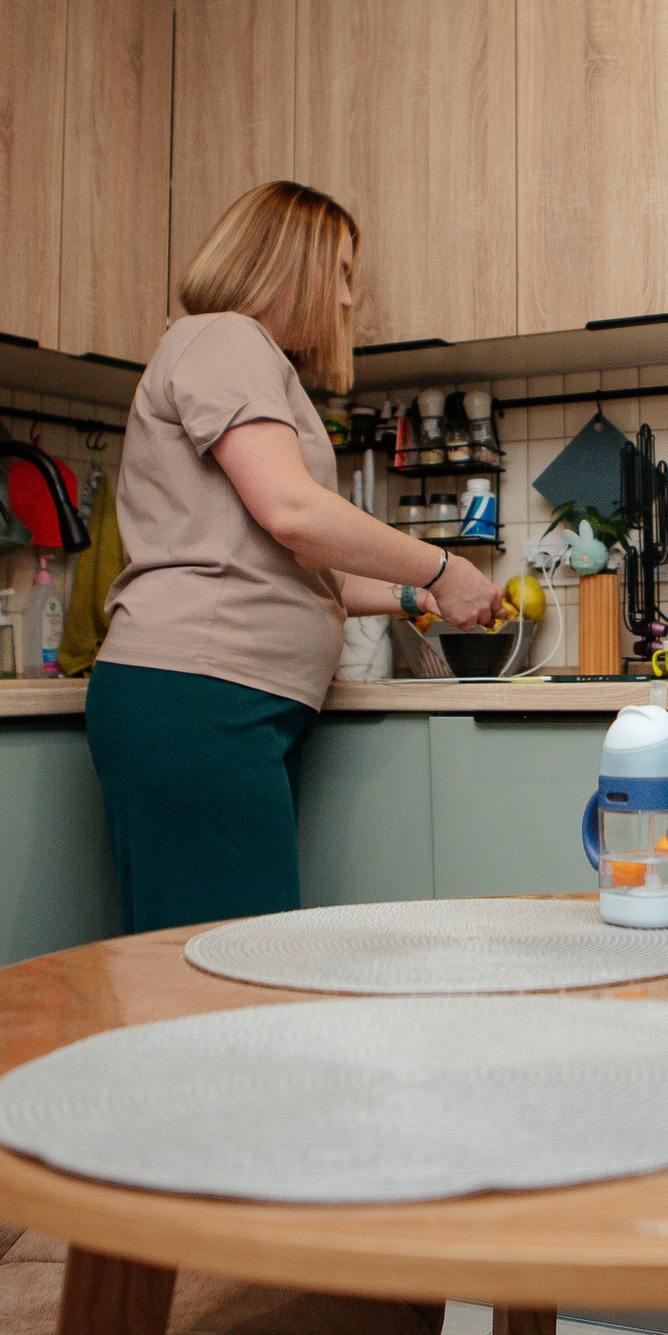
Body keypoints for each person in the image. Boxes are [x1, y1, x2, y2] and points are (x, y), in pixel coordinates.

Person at [87, 181, 508, 933]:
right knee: (221, 975)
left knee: (227, 965)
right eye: (342, 272)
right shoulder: (223, 338)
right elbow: (292, 511)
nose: (349, 301)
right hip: (200, 693)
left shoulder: (250, 359)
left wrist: (421, 598)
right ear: (294, 263)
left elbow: (312, 568)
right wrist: (442, 567)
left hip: (221, 699)